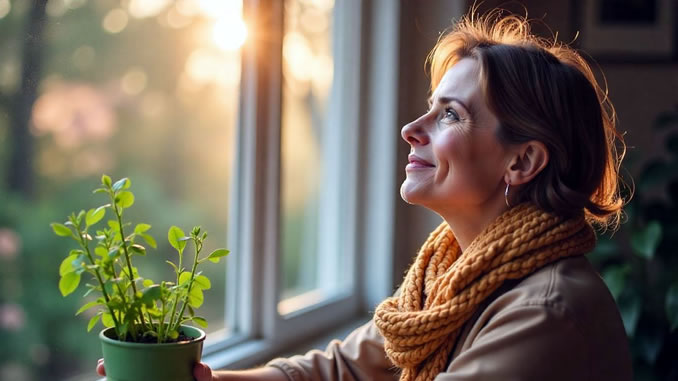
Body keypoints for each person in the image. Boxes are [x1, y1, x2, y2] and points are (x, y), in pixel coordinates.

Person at [98, 9, 632, 381]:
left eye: (451, 114)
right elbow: (342, 370)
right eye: (431, 105)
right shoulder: (447, 276)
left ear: (522, 160)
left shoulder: (547, 311)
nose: (411, 128)